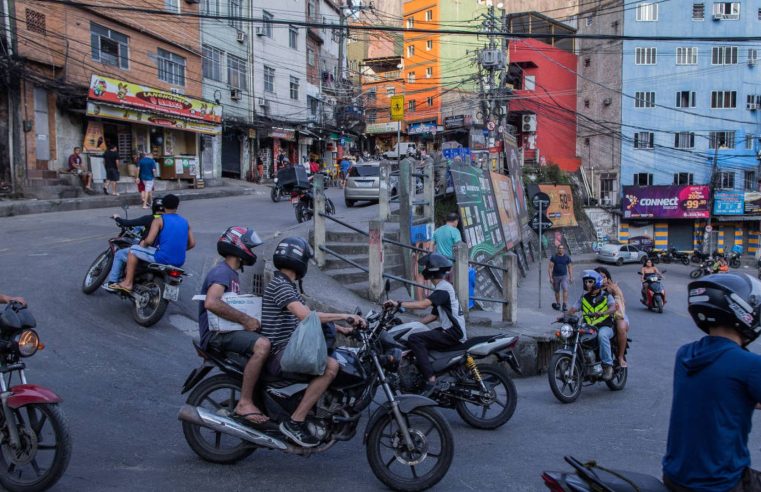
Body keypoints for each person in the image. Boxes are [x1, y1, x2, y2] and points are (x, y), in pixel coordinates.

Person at [260, 237, 363, 447]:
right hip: (279, 353)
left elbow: (307, 319)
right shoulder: (281, 285)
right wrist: (343, 315)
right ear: (300, 261)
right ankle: (295, 421)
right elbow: (307, 316)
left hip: (287, 348)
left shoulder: (285, 284)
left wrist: (343, 329)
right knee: (331, 367)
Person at [662, 273, 761, 491]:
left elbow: (724, 393)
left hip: (674, 476)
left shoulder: (685, 354)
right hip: (720, 483)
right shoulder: (750, 364)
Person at [199, 227, 271, 425]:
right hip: (216, 335)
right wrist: (246, 320)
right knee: (262, 345)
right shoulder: (222, 272)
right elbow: (212, 302)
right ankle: (245, 402)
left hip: (226, 331)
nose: (252, 253)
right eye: (250, 248)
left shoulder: (231, 274)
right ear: (239, 247)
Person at [384, 253, 466, 395]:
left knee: (415, 339)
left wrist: (398, 303)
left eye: (426, 267)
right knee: (416, 334)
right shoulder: (444, 287)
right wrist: (413, 324)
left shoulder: (443, 288)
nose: (424, 270)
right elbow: (434, 315)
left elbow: (423, 305)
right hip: (451, 331)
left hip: (453, 333)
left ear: (431, 271)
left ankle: (430, 378)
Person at [114, 194, 195, 293]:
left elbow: (149, 241)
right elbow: (192, 244)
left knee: (133, 249)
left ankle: (127, 283)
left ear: (164, 206)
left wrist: (143, 243)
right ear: (177, 206)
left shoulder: (159, 220)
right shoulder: (185, 222)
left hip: (162, 257)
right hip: (180, 261)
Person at [103, 197, 165, 291]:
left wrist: (117, 217)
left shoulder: (150, 219)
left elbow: (127, 223)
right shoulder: (168, 220)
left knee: (119, 254)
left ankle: (112, 282)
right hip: (163, 254)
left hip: (149, 253)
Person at [566, 270, 618, 380]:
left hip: (606, 326)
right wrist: (562, 316)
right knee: (574, 336)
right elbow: (573, 309)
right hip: (589, 328)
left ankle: (607, 366)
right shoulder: (584, 298)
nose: (587, 284)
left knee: (602, 335)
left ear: (597, 282)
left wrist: (603, 313)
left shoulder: (606, 296)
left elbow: (613, 307)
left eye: (590, 281)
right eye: (586, 282)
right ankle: (582, 364)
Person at [595, 267, 629, 368]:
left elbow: (623, 301)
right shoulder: (593, 288)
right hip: (599, 316)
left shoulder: (613, 287)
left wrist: (613, 291)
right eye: (599, 277)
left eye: (604, 276)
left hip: (617, 315)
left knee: (621, 328)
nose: (602, 279)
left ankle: (620, 357)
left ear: (607, 278)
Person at [549, 244, 574, 311]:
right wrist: (551, 278)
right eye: (559, 248)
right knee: (557, 291)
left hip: (564, 276)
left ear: (564, 249)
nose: (561, 249)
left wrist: (571, 277)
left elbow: (570, 267)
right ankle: (558, 304)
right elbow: (550, 268)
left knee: (565, 289)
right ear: (558, 249)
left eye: (562, 248)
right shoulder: (554, 257)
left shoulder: (567, 257)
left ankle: (564, 305)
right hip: (555, 276)